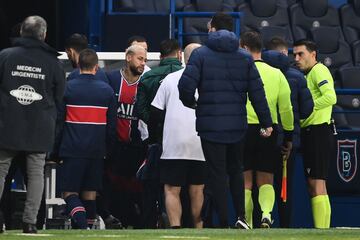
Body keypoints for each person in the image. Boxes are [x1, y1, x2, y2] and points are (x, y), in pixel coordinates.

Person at [178, 12, 273, 228]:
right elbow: (257, 93)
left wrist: (192, 104)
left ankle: (222, 222)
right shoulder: (245, 57)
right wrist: (266, 122)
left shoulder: (200, 55)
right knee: (236, 169)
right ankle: (241, 216)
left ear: (212, 29)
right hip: (237, 125)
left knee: (217, 173)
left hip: (210, 126)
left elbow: (185, 88)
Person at [0, 15, 65, 233]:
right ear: (44, 35)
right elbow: (59, 99)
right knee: (36, 174)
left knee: (0, 171)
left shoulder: (5, 56)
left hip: (7, 124)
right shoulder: (53, 62)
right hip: (40, 126)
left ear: (21, 33)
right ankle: (30, 223)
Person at [53, 49, 116, 229]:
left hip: (72, 149)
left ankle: (81, 227)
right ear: (97, 67)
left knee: (69, 192)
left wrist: (55, 150)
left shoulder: (68, 88)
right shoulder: (107, 91)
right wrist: (108, 151)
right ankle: (88, 229)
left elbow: (59, 123)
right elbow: (111, 128)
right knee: (90, 193)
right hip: (97, 151)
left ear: (78, 65)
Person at [240, 31, 294, 228]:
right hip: (268, 129)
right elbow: (286, 108)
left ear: (244, 47)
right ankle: (266, 214)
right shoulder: (277, 74)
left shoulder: (240, 71)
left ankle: (246, 221)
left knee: (245, 179)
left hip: (243, 129)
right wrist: (288, 135)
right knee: (266, 178)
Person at [150, 43, 204, 228]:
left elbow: (155, 113)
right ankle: (199, 229)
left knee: (172, 190)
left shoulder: (170, 79)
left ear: (182, 57)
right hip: (200, 144)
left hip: (174, 145)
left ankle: (175, 227)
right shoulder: (208, 80)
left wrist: (156, 137)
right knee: (197, 190)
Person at [262, 36, 314, 228]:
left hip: (264, 138)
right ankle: (285, 227)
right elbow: (307, 109)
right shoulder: (297, 77)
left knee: (262, 183)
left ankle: (260, 220)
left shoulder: (258, 73)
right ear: (285, 53)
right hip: (288, 143)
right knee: (285, 188)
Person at [135, 38, 183, 228]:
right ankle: (185, 224)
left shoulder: (148, 77)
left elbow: (142, 110)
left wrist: (158, 127)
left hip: (156, 141)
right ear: (179, 54)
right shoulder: (190, 75)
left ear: (160, 56)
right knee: (186, 188)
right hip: (185, 142)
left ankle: (149, 224)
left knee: (152, 186)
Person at [293, 39, 336, 229]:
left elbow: (331, 96)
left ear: (313, 54)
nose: (296, 58)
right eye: (294, 55)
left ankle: (322, 231)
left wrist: (307, 107)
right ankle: (322, 230)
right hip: (311, 132)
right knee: (314, 184)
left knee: (317, 184)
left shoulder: (319, 70)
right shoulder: (308, 74)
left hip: (319, 131)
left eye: (300, 54)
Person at [106, 45, 148, 228]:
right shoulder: (112, 79)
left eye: (145, 60)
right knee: (114, 190)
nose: (143, 63)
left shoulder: (146, 83)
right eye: (140, 59)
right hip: (116, 148)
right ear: (128, 57)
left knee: (137, 191)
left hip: (137, 149)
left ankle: (137, 224)